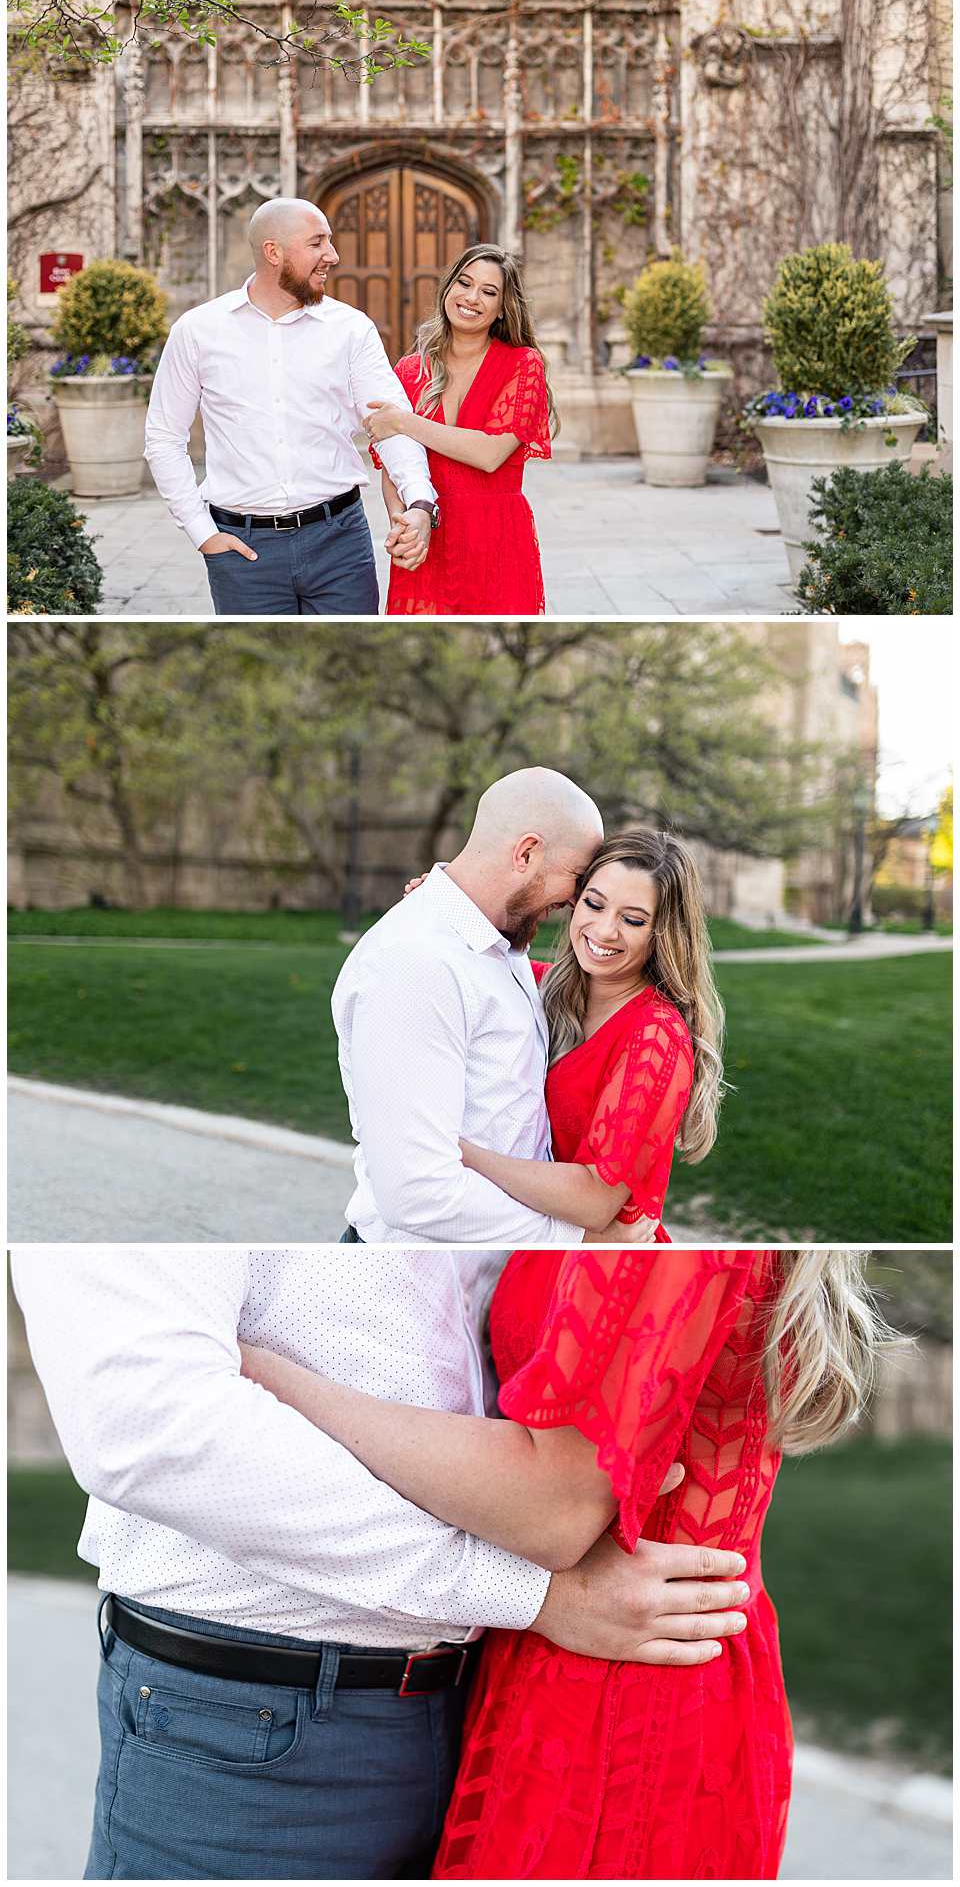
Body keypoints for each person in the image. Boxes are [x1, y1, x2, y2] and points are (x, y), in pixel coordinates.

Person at [11, 1248, 752, 1882]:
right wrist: (526, 1591)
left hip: (501, 1694)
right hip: (256, 1713)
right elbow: (147, 1429)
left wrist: (281, 1380)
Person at [239, 1248, 898, 1879]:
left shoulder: (668, 1242)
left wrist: (262, 1373)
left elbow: (553, 1511)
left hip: (620, 1691)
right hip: (625, 1648)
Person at [332, 765, 622, 1245]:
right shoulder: (416, 964)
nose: (576, 900)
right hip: (417, 1273)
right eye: (577, 877)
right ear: (526, 853)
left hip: (490, 1270)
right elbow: (417, 1194)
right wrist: (575, 1238)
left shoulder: (497, 942)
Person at [144, 198, 437, 616]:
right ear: (273, 252)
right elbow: (163, 436)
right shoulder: (198, 330)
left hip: (340, 545)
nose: (332, 256)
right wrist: (201, 532)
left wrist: (420, 502)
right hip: (243, 554)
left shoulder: (351, 329)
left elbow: (392, 425)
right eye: (317, 243)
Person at [455, 827, 725, 1239]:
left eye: (632, 920)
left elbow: (594, 1201)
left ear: (663, 934)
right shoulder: (541, 985)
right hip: (530, 1242)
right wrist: (441, 906)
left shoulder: (655, 1037)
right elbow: (462, 958)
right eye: (594, 904)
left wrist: (461, 1155)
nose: (604, 930)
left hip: (599, 1265)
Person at [364, 244, 554, 615]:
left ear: (503, 308)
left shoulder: (522, 364)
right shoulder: (410, 370)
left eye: (488, 291)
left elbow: (489, 454)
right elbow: (395, 467)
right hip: (427, 538)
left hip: (495, 542)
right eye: (464, 283)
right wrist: (404, 523)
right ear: (448, 287)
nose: (471, 298)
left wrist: (403, 421)